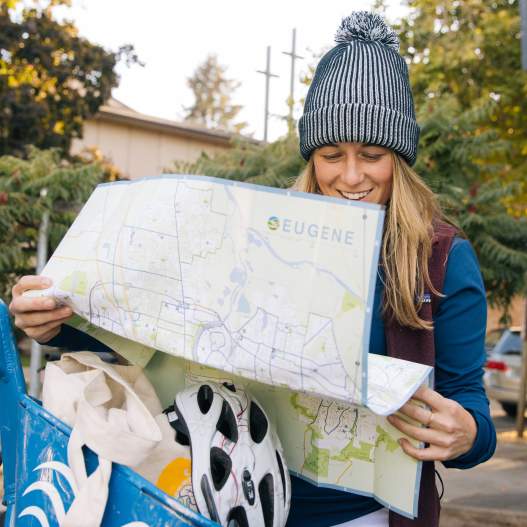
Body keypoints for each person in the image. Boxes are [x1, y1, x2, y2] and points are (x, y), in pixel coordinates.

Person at [9, 11, 496, 527]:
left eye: (372, 155)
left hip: (368, 517)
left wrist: (467, 434)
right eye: (331, 155)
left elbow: (471, 412)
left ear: (400, 157)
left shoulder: (440, 258)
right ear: (312, 158)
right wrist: (57, 325)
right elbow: (170, 342)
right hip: (234, 505)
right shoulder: (259, 241)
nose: (351, 176)